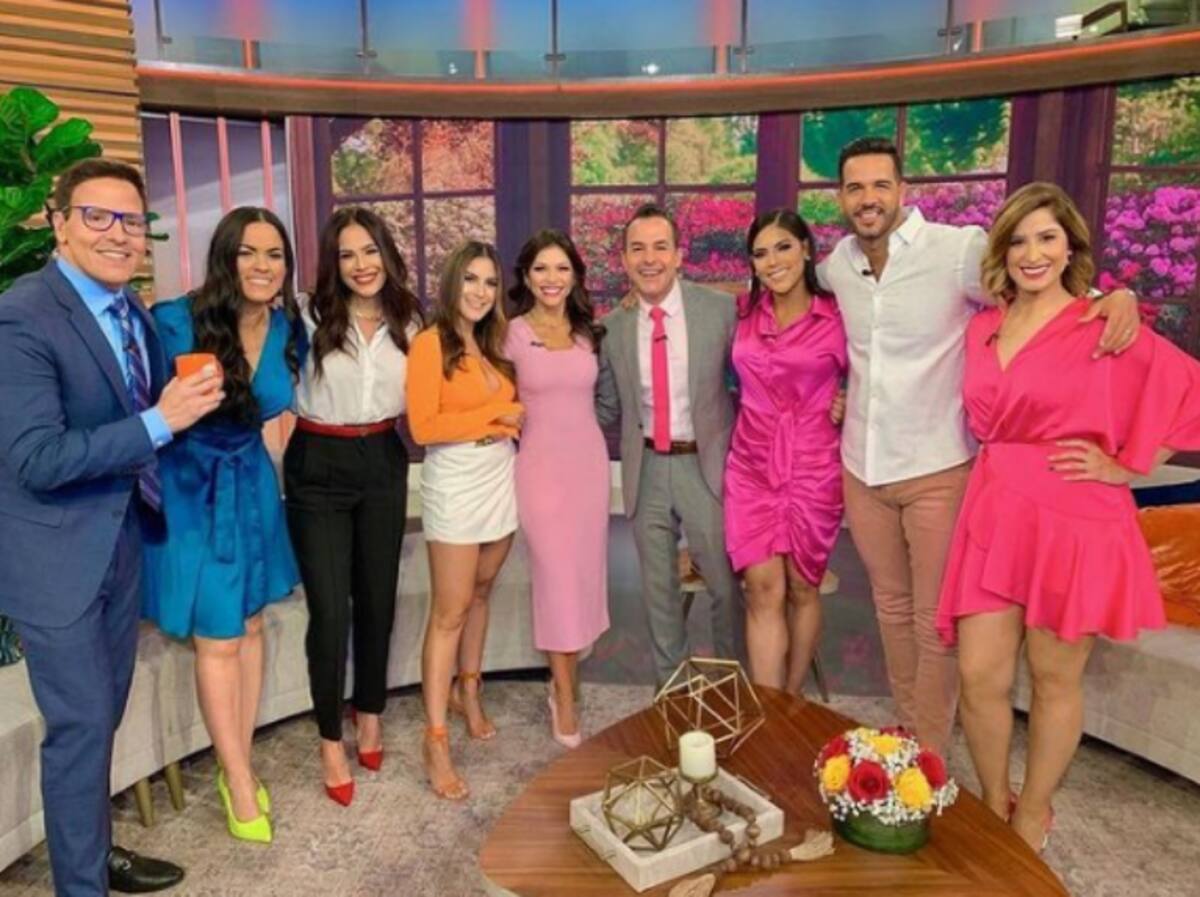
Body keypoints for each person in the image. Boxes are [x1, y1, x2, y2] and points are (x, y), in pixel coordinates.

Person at [817, 137, 1141, 752]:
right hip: (862, 467)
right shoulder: (838, 263)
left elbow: (1036, 286)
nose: (868, 198)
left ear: (902, 190)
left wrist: (1109, 297)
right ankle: (907, 736)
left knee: (933, 622)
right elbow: (799, 285)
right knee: (890, 609)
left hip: (939, 467)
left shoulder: (957, 250)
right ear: (841, 197)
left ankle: (928, 757)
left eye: (880, 185)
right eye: (855, 188)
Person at [935, 182, 1200, 851]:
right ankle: (993, 800)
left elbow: (1188, 390)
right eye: (1019, 240)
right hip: (995, 508)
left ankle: (1033, 812)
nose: (1033, 253)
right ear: (1002, 251)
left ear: (1071, 247)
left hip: (1075, 515)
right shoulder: (983, 326)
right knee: (979, 675)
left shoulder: (1101, 322)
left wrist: (1128, 466)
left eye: (1047, 237)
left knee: (1055, 678)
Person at [0, 158, 208, 895]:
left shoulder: (133, 313)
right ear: (58, 224)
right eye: (97, 216)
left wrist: (187, 408)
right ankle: (81, 884)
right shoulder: (21, 315)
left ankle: (90, 850)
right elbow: (36, 458)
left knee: (102, 715)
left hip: (121, 543)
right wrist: (162, 419)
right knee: (82, 726)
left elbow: (140, 417)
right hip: (54, 558)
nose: (119, 234)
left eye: (132, 220)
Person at [142, 206, 304, 844]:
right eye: (249, 252)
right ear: (225, 258)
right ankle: (237, 780)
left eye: (275, 254)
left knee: (254, 623)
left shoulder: (287, 326)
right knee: (218, 637)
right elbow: (139, 410)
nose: (263, 266)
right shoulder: (174, 321)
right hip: (191, 490)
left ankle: (240, 756)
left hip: (253, 483)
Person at [286, 207, 424, 805]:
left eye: (370, 251)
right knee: (330, 610)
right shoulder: (305, 314)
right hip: (317, 461)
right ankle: (329, 740)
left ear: (386, 254)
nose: (361, 264)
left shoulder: (411, 318)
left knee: (377, 599)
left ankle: (370, 714)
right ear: (333, 263)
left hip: (383, 459)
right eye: (347, 254)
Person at [595, 203, 739, 687]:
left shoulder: (719, 310)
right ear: (624, 259)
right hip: (647, 468)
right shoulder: (613, 327)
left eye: (660, 247)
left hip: (707, 464)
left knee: (726, 588)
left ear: (680, 255)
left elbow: (756, 374)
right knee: (659, 594)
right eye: (638, 249)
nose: (649, 259)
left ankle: (734, 688)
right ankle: (673, 696)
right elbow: (606, 405)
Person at [406, 241, 522, 799]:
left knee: (480, 593)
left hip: (499, 476)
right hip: (455, 481)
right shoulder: (430, 343)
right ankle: (434, 738)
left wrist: (499, 423)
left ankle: (468, 691)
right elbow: (424, 427)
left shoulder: (494, 344)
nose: (480, 292)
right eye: (471, 279)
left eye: (490, 282)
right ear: (453, 282)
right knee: (449, 611)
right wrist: (496, 414)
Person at [724, 209, 847, 693]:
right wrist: (641, 294)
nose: (773, 261)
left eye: (783, 247)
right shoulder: (744, 312)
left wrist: (850, 398)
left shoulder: (839, 315)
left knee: (801, 585)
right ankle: (769, 711)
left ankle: (793, 701)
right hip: (751, 465)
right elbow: (695, 298)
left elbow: (879, 370)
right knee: (761, 588)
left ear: (807, 250)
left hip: (814, 465)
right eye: (760, 254)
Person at [505, 229, 609, 748]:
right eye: (541, 268)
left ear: (575, 276)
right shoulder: (511, 334)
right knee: (556, 578)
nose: (552, 278)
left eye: (562, 268)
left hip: (588, 468)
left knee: (581, 576)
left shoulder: (589, 331)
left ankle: (567, 679)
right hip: (539, 470)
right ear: (526, 277)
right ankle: (564, 695)